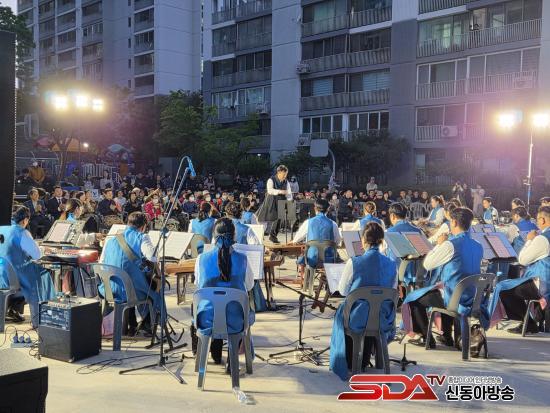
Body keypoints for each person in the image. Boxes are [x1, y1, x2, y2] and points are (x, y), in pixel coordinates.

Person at [404, 207, 483, 348]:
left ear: (454, 222)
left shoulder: (449, 245)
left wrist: (439, 245)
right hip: (472, 295)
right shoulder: (478, 245)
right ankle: (446, 335)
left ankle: (424, 337)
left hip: (455, 297)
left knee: (414, 298)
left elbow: (428, 264)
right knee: (444, 287)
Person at [330, 222, 397, 380]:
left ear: (363, 241)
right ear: (382, 240)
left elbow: (343, 291)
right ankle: (368, 358)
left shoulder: (354, 262)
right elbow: (393, 291)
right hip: (382, 318)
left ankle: (347, 361)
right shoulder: (392, 264)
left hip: (357, 318)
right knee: (371, 309)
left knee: (343, 311)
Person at [193, 218, 255, 363]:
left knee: (208, 305)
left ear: (213, 236)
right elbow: (249, 286)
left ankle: (214, 351)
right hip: (235, 321)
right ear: (234, 236)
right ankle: (233, 358)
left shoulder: (201, 259)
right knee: (242, 308)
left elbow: (198, 285)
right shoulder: (243, 259)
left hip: (207, 320)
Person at [488, 206, 550, 335]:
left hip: (545, 284)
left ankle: (528, 323)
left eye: (538, 220)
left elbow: (522, 260)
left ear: (542, 220)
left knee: (503, 288)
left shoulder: (543, 238)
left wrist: (529, 241)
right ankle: (534, 321)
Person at [99, 212, 161, 334]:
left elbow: (101, 263)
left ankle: (132, 324)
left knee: (130, 282)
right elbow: (153, 257)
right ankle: (147, 325)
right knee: (156, 287)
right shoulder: (142, 237)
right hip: (130, 291)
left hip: (109, 289)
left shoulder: (111, 239)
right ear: (143, 226)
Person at [0, 206, 56, 326]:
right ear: (25, 220)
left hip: (3, 275)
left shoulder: (2, 228)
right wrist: (43, 249)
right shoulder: (22, 232)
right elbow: (36, 255)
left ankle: (15, 309)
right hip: (16, 276)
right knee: (44, 275)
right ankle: (40, 318)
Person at [291, 199, 341, 273]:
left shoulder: (308, 222)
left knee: (303, 255)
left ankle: (306, 276)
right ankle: (325, 277)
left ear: (315, 208)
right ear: (328, 209)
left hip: (311, 259)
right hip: (329, 259)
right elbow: (337, 242)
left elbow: (296, 239)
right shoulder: (333, 224)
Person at [386, 202, 423, 286]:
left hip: (399, 274)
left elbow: (391, 258)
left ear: (392, 216)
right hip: (417, 273)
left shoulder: (391, 231)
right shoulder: (418, 230)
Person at [256, 165, 293, 244]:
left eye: (286, 174)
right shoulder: (271, 180)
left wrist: (290, 201)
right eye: (284, 174)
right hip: (272, 200)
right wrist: (280, 191)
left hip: (282, 201)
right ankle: (261, 235)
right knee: (267, 218)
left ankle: (273, 236)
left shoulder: (286, 181)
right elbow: (270, 190)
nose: (285, 176)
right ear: (279, 172)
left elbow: (289, 192)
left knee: (280, 219)